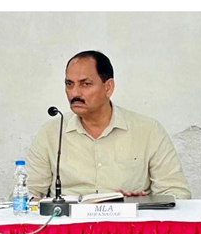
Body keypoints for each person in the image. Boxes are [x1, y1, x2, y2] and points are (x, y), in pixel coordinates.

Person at [26, 50, 192, 200]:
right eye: (69, 84)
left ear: (108, 87)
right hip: (68, 222)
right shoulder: (51, 133)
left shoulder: (148, 131)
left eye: (85, 84)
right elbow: (28, 194)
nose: (74, 93)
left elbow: (176, 193)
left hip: (129, 222)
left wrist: (145, 204)